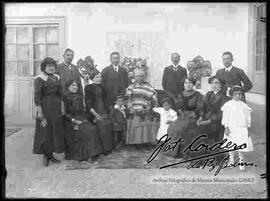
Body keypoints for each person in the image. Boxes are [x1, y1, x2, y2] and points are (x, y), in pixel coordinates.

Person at [63, 79, 102, 169]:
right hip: (71, 120)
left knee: (93, 129)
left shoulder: (80, 97)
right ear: (68, 87)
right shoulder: (65, 98)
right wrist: (74, 120)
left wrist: (89, 118)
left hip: (82, 118)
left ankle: (92, 154)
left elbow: (85, 110)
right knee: (85, 131)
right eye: (72, 85)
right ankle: (83, 156)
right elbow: (65, 113)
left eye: (76, 85)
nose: (75, 87)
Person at [33, 57, 65, 167]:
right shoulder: (39, 79)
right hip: (45, 107)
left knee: (54, 130)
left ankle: (51, 154)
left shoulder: (57, 77)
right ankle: (46, 156)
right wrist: (40, 113)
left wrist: (62, 108)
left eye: (53, 66)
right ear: (44, 67)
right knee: (45, 132)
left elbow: (60, 94)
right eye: (49, 66)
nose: (51, 68)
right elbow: (37, 97)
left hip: (55, 107)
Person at [166, 77, 203, 159]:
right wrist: (180, 111)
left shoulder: (198, 95)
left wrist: (194, 114)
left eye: (190, 83)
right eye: (186, 83)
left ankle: (184, 153)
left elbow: (200, 108)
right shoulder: (180, 95)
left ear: (193, 84)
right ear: (183, 84)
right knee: (172, 128)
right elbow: (178, 106)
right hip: (182, 116)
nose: (188, 85)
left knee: (182, 128)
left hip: (193, 117)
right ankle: (174, 152)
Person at [195, 75, 230, 164]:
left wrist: (209, 121)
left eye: (216, 83)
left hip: (217, 122)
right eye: (212, 83)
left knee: (214, 135)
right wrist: (201, 117)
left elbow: (222, 114)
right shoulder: (208, 94)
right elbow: (202, 107)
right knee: (198, 133)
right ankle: (204, 157)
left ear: (221, 85)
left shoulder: (224, 97)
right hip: (206, 119)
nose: (214, 85)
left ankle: (215, 158)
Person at [221, 85, 254, 171]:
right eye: (235, 94)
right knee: (231, 144)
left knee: (240, 144)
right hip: (232, 127)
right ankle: (231, 159)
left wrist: (248, 127)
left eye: (240, 94)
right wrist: (226, 127)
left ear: (242, 95)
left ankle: (241, 160)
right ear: (232, 95)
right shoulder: (228, 105)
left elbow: (247, 117)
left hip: (241, 127)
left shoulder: (244, 105)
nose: (238, 96)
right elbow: (226, 117)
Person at [125, 69, 159, 149]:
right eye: (137, 76)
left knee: (146, 124)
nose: (139, 78)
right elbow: (127, 99)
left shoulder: (148, 87)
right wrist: (131, 108)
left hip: (145, 109)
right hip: (134, 109)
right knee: (136, 124)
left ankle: (146, 141)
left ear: (144, 77)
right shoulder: (131, 87)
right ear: (135, 77)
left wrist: (148, 107)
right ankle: (136, 142)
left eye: (141, 76)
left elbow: (154, 97)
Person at [85, 71, 113, 155]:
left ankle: (106, 148)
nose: (99, 79)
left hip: (103, 110)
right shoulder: (88, 87)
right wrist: (96, 115)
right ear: (92, 78)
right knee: (99, 129)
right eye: (97, 77)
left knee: (106, 127)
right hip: (93, 111)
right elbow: (88, 104)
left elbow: (106, 101)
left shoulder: (103, 88)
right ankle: (100, 150)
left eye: (100, 77)